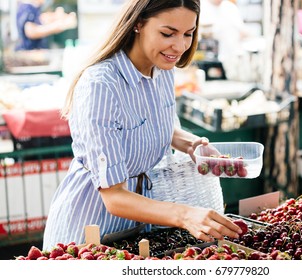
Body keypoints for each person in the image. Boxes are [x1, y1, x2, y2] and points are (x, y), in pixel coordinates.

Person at [42, 0, 242, 250]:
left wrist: (193, 145)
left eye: (188, 34)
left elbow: (151, 125)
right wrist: (186, 215)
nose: (179, 46)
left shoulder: (163, 69)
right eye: (167, 33)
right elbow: (114, 197)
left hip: (140, 225)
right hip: (89, 231)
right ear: (138, 24)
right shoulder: (101, 85)